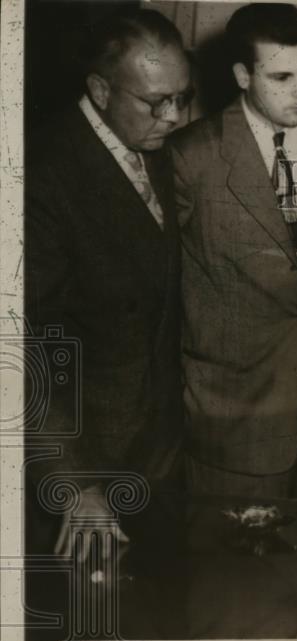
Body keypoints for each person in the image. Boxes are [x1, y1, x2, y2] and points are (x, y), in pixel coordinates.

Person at [170, 3, 297, 501]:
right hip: (233, 410)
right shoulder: (191, 155)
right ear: (242, 76)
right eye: (281, 77)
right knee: (233, 550)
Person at [25, 8, 191, 557]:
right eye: (156, 101)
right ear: (100, 91)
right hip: (80, 471)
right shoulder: (41, 175)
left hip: (155, 456)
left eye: (182, 97)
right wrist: (75, 483)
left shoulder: (151, 144)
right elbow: (27, 345)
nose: (173, 117)